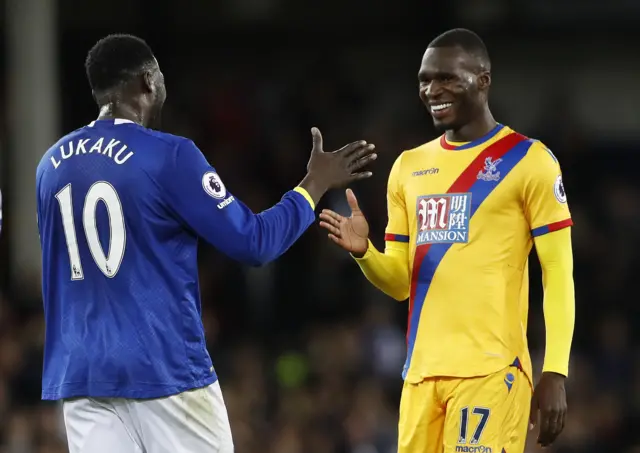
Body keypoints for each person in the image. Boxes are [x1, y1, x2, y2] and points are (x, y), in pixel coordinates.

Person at [36, 34, 377, 453]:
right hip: (164, 371)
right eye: (161, 77)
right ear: (147, 81)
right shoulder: (168, 155)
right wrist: (314, 184)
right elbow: (254, 243)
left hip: (81, 378)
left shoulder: (49, 165)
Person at [319, 28, 575, 453]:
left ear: (483, 80)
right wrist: (366, 254)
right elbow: (401, 282)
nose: (432, 90)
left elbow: (559, 274)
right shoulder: (408, 167)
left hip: (492, 372)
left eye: (447, 78)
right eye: (424, 79)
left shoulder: (530, 162)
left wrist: (556, 371)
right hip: (421, 376)